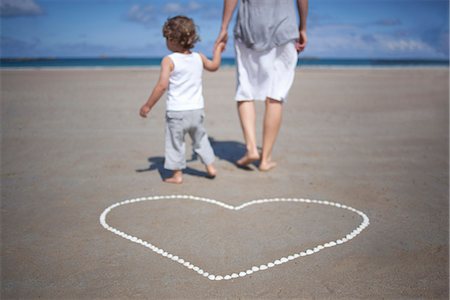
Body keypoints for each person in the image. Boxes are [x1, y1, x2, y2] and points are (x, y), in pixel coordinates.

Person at [215, 0, 308, 171]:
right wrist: (302, 27)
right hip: (285, 27)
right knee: (276, 95)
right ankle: (265, 159)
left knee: (245, 90)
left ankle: (251, 149)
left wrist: (223, 27)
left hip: (249, 28)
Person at [140, 15, 225, 184]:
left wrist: (148, 105)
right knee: (200, 139)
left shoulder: (169, 60)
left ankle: (177, 175)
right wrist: (217, 51)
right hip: (196, 110)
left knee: (175, 143)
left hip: (177, 112)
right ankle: (210, 166)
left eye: (167, 39)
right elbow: (214, 67)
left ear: (172, 40)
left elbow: (162, 86)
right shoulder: (199, 57)